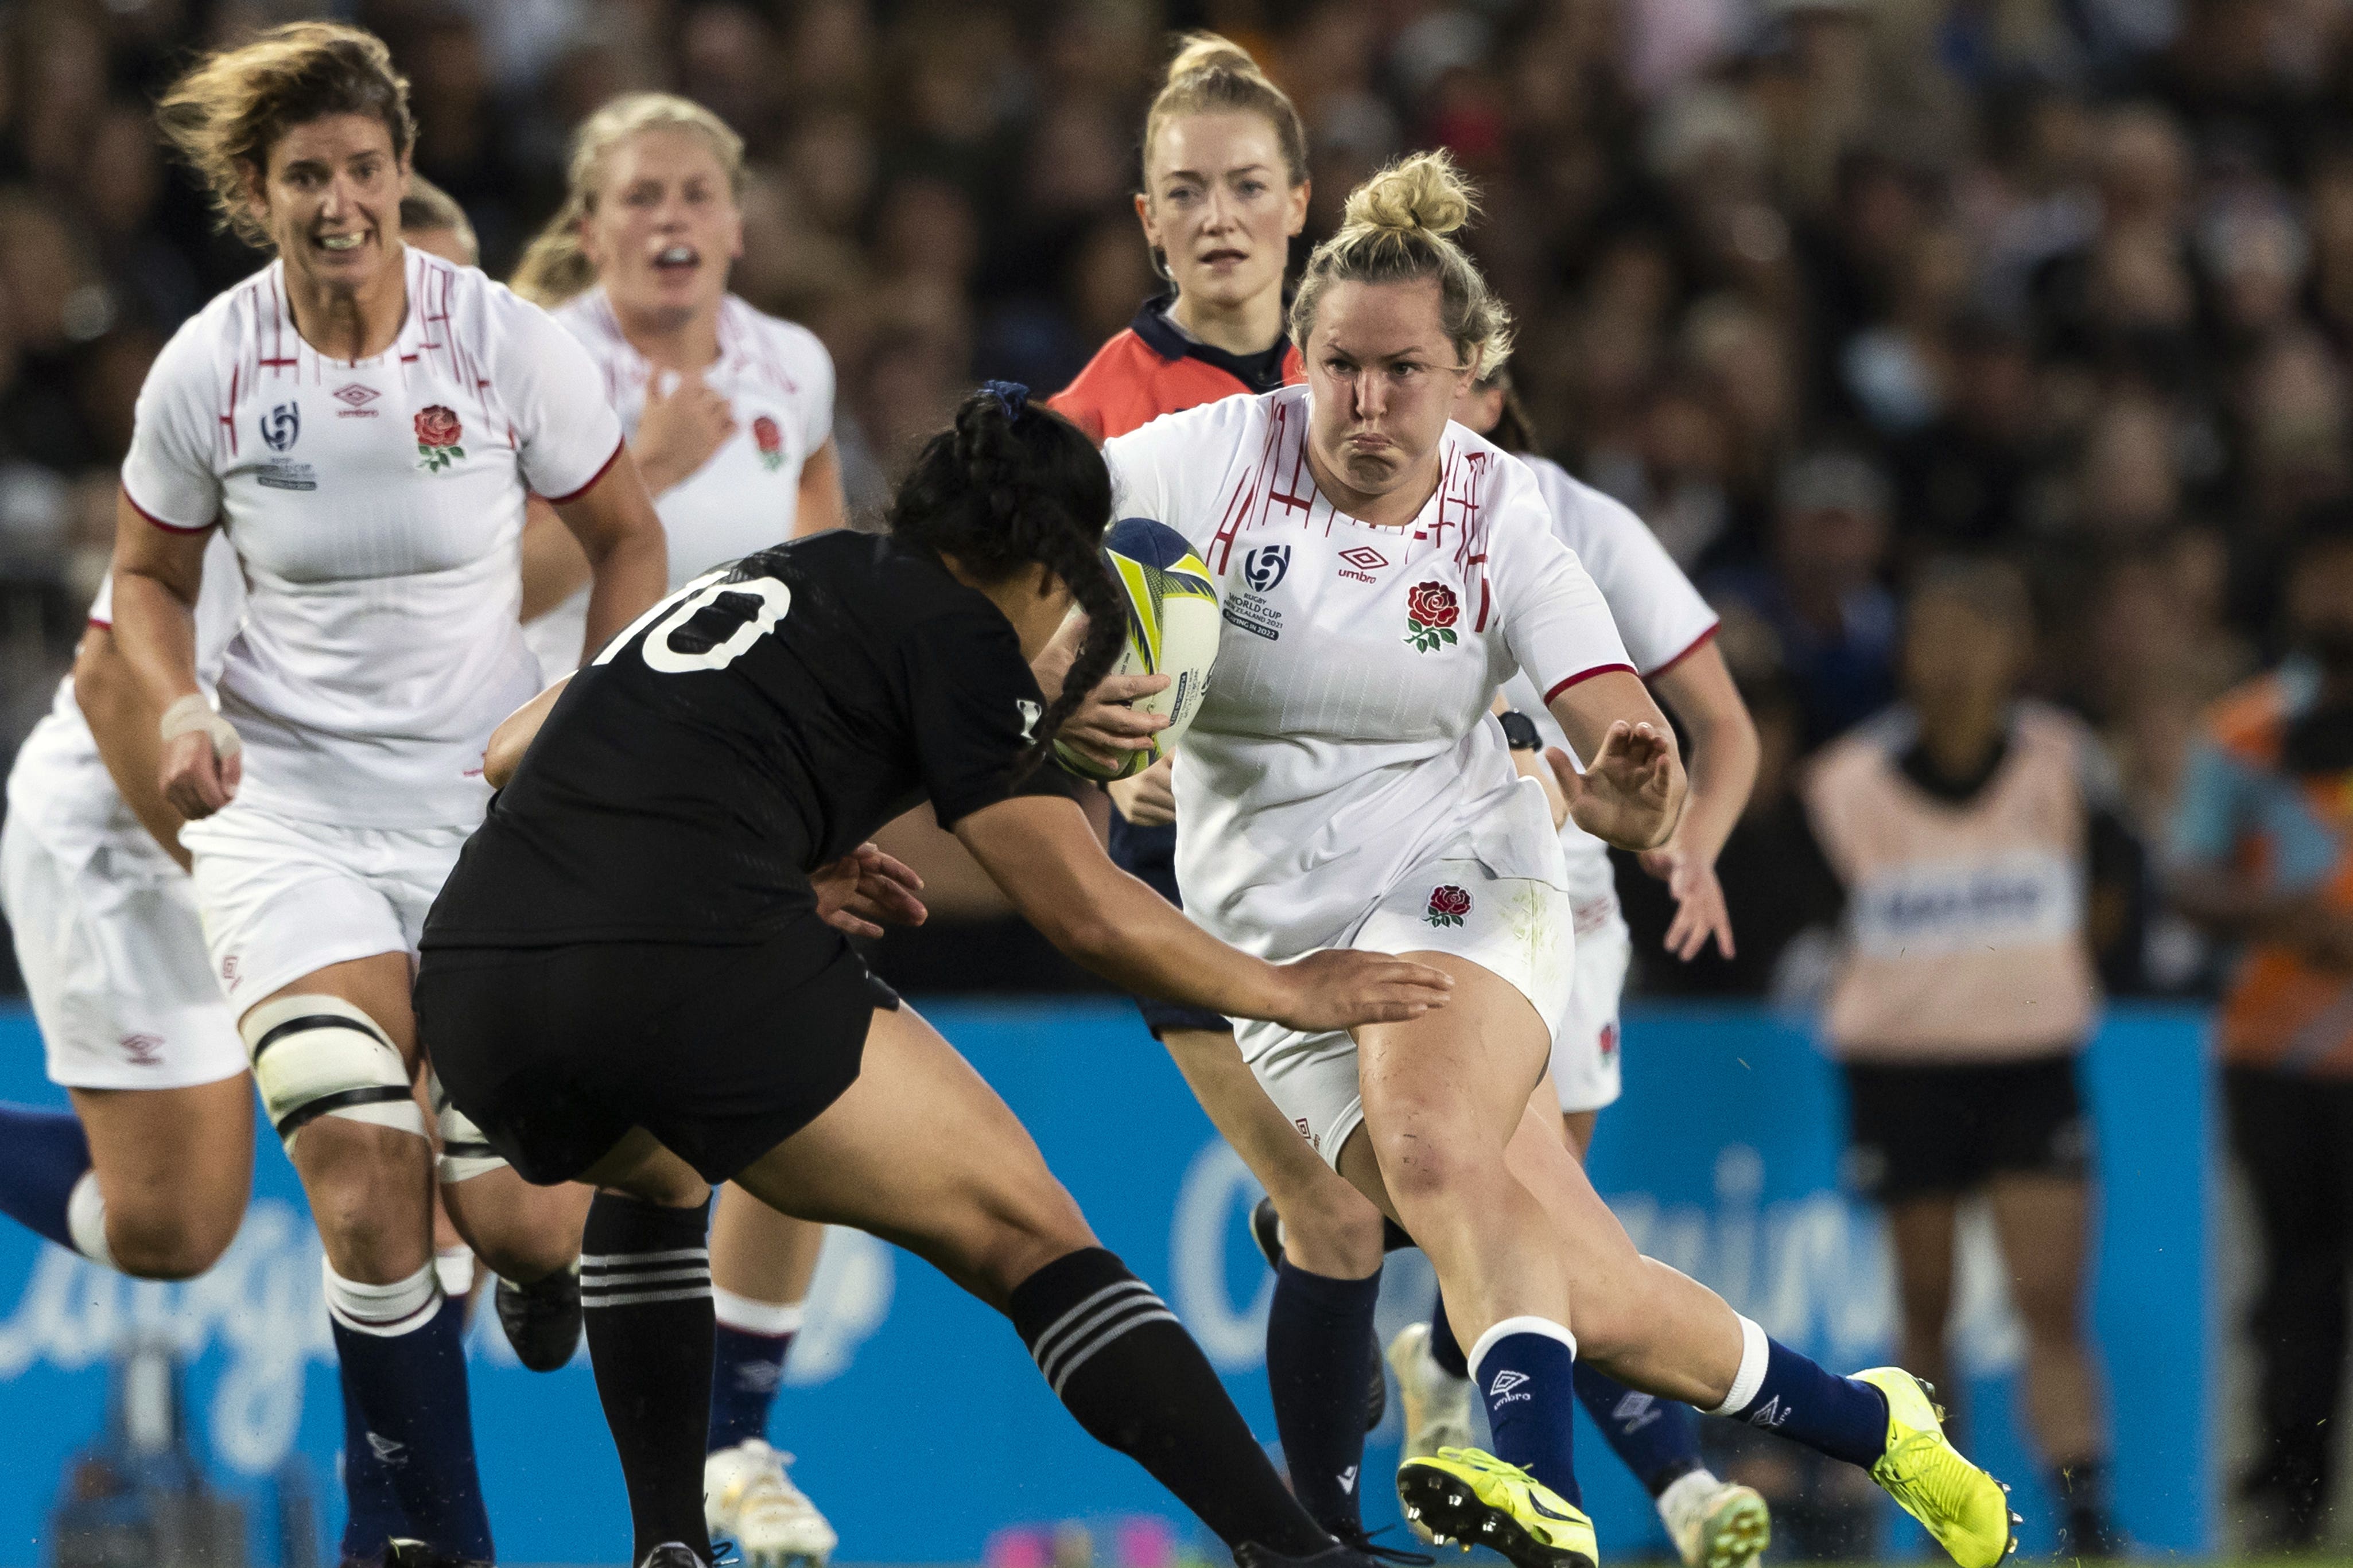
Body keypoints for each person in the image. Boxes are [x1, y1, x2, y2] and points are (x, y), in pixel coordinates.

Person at [1099, 150, 2014, 1568]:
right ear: (1302, 358)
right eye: (1339, 365)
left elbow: (1618, 725)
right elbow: (1022, 544)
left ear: (1465, 373)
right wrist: (1092, 706)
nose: (1366, 402)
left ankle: (1539, 1488)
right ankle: (1875, 1423)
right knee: (1590, 1280)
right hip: (1275, 949)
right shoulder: (1203, 464)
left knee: (1422, 1142)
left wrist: (1639, 792)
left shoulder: (1502, 511)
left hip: (1472, 874)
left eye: (1403, 371)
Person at [410, 384, 1456, 1568]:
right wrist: (1294, 989)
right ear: (1056, 574)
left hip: (476, 969)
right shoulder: (960, 630)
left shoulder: (783, 568)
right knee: (1030, 1232)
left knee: (654, 1174)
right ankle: (1295, 1552)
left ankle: (669, 1543)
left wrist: (777, 851)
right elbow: (1087, 910)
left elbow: (512, 751)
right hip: (681, 963)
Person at [106, 24, 669, 1565]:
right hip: (289, 811)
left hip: (488, 817)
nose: (342, 201)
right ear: (254, 190)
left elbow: (628, 533)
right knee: (359, 1154)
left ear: (402, 169)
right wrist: (174, 704)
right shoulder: (211, 364)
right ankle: (426, 1536)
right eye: (306, 176)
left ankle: (537, 1265)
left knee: (520, 1221)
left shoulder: (496, 343)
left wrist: (587, 710)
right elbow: (148, 574)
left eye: (365, 168)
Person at [1045, 36, 1406, 1550]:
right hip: (1184, 887)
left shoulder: (1381, 379)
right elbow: (1002, 649)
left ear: (1301, 202)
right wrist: (1087, 725)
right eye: (1185, 191)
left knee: (1396, 1191)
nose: (1218, 216)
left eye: (1246, 187)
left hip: (1379, 856)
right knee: (1333, 1213)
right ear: (1143, 216)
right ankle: (1314, 1531)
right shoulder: (1089, 419)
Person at [508, 90, 848, 1566]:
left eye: (696, 193)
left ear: (736, 219)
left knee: (810, 1083)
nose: (669, 220)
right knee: (564, 1200)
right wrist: (641, 456)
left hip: (742, 812)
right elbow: (481, 595)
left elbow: (827, 585)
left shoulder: (799, 367)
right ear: (588, 229)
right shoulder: (537, 363)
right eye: (638, 196)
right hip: (545, 809)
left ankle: (739, 1446)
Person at [1360, 358, 1769, 1568]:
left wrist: (1693, 843)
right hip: (1444, 901)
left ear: (1490, 393)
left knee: (1553, 1220)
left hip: (1579, 914)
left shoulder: (1582, 522)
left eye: (1445, 374)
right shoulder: (1353, 516)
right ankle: (1658, 1482)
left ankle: (1441, 1375)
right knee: (1516, 1209)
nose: (1412, 398)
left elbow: (1725, 723)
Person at [1803, 559, 2126, 1559]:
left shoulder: (2066, 763)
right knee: (1926, 1308)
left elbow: (2116, 887)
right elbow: (1814, 922)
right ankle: (1955, 1523)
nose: (1951, 656)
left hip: (2030, 1064)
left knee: (2049, 1302)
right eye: (1932, 632)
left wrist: (2033, 981)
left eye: (1975, 632)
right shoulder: (1845, 783)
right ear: (1905, 651)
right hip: (1903, 1074)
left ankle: (2084, 1522)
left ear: (2015, 650)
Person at [2170, 511, 2353, 1552]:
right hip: (2278, 1053)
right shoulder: (2242, 731)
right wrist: (2278, 915)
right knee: (2295, 1277)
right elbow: (2188, 874)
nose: (2338, 599)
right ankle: (2291, 1488)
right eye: (2322, 575)